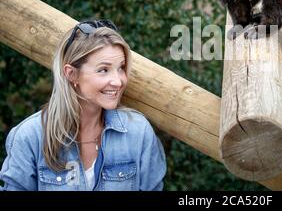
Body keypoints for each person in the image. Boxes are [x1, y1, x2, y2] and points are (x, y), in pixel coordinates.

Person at [0, 20, 166, 190]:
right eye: (103, 70)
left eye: (121, 68)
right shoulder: (30, 136)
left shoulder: (138, 132)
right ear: (71, 74)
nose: (118, 81)